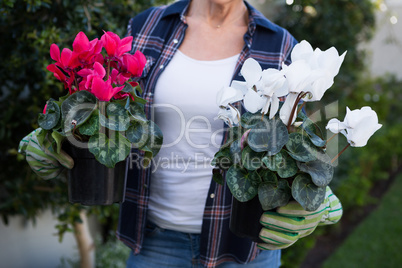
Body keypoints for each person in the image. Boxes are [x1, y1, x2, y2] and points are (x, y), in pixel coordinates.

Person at [117, 0, 342, 267]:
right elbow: (116, 112)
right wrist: (66, 142)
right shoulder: (147, 26)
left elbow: (293, 137)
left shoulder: (280, 44)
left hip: (245, 247)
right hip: (156, 241)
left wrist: (321, 199)